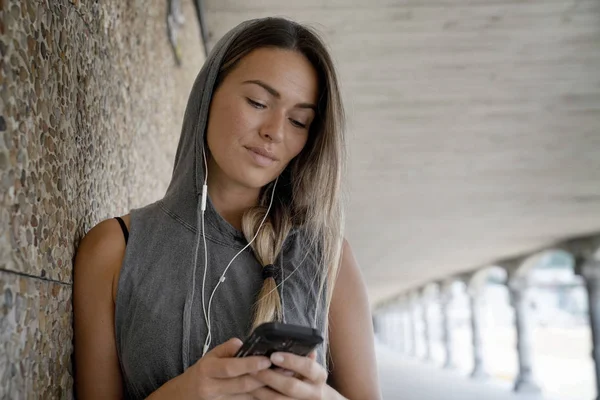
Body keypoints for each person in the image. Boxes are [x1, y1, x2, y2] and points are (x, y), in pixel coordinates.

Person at [73, 17, 381, 400]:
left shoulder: (327, 258)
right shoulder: (114, 250)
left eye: (299, 121)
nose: (276, 131)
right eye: (257, 102)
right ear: (208, 94)